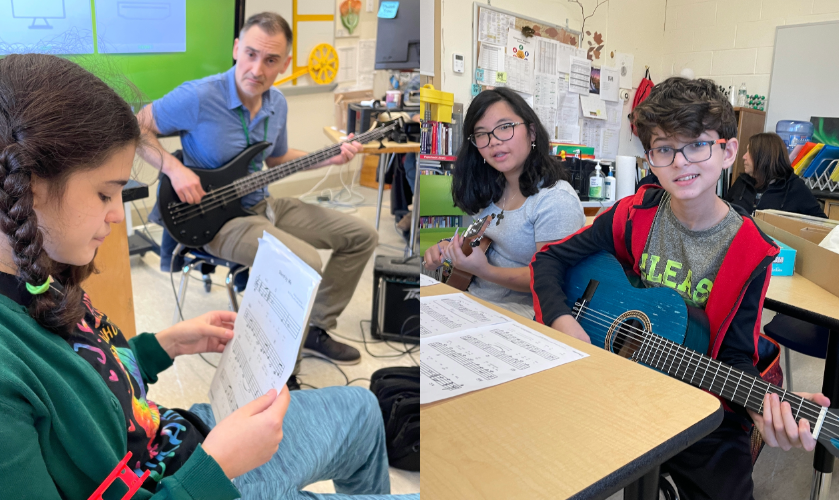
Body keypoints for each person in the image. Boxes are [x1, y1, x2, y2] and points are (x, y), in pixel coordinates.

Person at [0, 53, 417, 500]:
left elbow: (91, 379)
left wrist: (161, 346)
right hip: (197, 480)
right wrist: (216, 468)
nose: (117, 216)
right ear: (30, 185)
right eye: (105, 193)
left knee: (363, 408)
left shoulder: (40, 270)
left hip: (176, 444)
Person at [530, 77, 829, 500]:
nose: (680, 162)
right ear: (650, 157)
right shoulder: (635, 214)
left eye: (697, 145)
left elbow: (736, 354)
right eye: (664, 148)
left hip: (700, 392)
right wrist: (562, 319)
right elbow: (549, 259)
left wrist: (761, 405)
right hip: (616, 379)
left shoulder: (749, 250)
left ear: (727, 152)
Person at [137, 12, 374, 372]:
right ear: (236, 48)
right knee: (305, 262)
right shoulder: (200, 96)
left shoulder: (277, 103)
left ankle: (316, 328)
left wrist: (330, 159)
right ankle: (278, 371)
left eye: (270, 60)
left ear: (285, 64)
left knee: (361, 236)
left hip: (262, 204)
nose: (257, 69)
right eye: (250, 54)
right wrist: (174, 168)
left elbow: (277, 159)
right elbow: (136, 127)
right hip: (215, 221)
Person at [424, 88, 585, 319]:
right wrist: (447, 248)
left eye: (505, 127)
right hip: (472, 299)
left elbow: (551, 278)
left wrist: (484, 271)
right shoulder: (492, 187)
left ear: (531, 132)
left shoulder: (555, 199)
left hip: (523, 316)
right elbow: (482, 245)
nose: (494, 142)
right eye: (482, 133)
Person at [726, 132, 826, 217]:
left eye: (749, 152)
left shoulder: (795, 187)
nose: (744, 156)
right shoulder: (742, 182)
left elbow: (822, 225)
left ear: (763, 157)